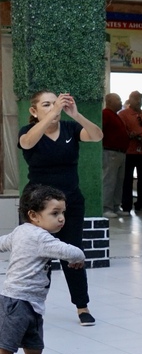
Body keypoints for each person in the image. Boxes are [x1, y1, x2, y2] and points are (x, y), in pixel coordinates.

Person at [18, 91, 104, 326]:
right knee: (36, 256)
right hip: (37, 205)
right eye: (46, 104)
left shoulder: (69, 129)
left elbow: (97, 136)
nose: (53, 108)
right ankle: (31, 307)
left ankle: (82, 306)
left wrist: (76, 115)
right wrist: (53, 112)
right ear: (34, 111)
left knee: (73, 253)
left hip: (69, 202)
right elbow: (27, 143)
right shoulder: (28, 131)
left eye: (55, 103)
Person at [0, 185, 87, 354]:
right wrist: (77, 259)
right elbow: (74, 252)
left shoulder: (21, 231)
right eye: (54, 213)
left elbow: (3, 242)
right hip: (18, 304)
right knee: (4, 350)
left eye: (63, 212)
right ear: (34, 215)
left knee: (33, 350)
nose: (61, 218)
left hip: (31, 304)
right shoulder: (41, 238)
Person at [118, 91, 142, 215]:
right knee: (127, 179)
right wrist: (132, 136)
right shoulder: (123, 114)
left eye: (140, 99)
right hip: (129, 151)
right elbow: (122, 131)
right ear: (130, 100)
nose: (138, 101)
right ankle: (126, 205)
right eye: (136, 98)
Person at [101, 93, 128, 218]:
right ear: (110, 102)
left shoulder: (116, 115)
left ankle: (116, 206)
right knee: (109, 180)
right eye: (118, 99)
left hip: (120, 152)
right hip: (110, 152)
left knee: (118, 181)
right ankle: (106, 208)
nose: (121, 102)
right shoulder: (106, 114)